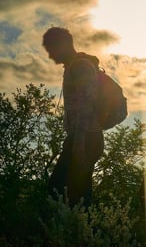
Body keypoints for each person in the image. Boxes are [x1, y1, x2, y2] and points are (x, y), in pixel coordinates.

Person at [43, 27, 104, 208]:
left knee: (58, 190)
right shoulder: (75, 66)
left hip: (86, 138)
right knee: (78, 194)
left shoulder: (80, 67)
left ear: (61, 46)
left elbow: (85, 105)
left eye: (51, 50)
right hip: (85, 137)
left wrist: (78, 144)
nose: (50, 56)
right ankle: (85, 233)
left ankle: (81, 233)